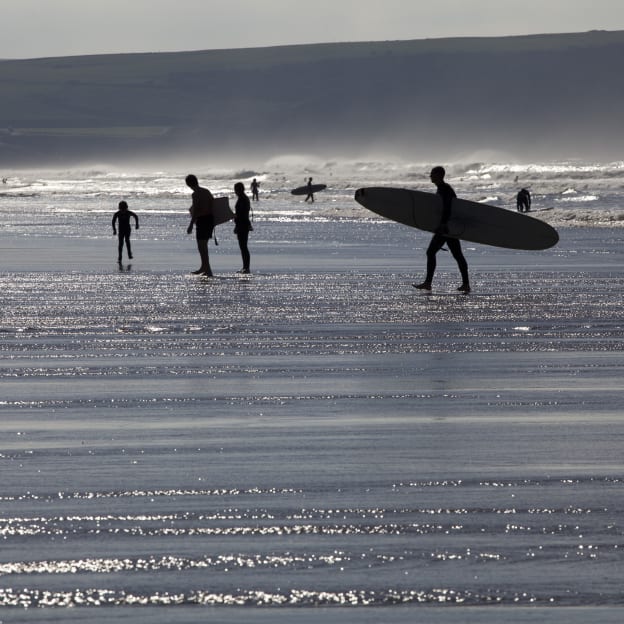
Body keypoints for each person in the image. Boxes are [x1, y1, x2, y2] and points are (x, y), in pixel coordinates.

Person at [414, 166, 470, 293]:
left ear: (439, 175)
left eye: (433, 174)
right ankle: (466, 284)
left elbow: (448, 208)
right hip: (449, 227)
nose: (430, 176)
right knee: (457, 255)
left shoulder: (445, 189)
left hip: (446, 228)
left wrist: (443, 224)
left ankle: (428, 283)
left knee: (431, 252)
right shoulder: (443, 189)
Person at [185, 174, 214, 276]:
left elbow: (196, 210)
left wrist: (191, 225)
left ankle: (207, 270)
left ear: (188, 184)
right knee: (203, 246)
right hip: (210, 220)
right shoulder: (206, 191)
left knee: (202, 247)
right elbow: (213, 205)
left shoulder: (196, 194)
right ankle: (204, 267)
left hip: (202, 220)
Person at [234, 182, 253, 273]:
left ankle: (246, 267)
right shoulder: (243, 198)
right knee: (243, 246)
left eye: (235, 189)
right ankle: (245, 267)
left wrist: (237, 225)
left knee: (243, 246)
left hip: (243, 224)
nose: (235, 192)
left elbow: (241, 214)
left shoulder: (242, 199)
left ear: (239, 190)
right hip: (243, 224)